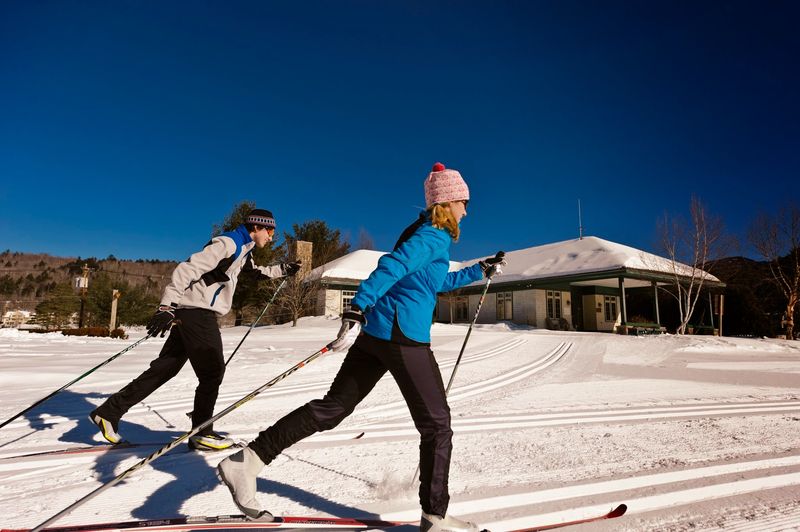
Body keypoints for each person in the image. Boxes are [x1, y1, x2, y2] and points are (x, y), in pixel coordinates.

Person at [217, 164, 506, 531]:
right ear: (447, 203)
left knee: (334, 408)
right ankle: (435, 516)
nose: (467, 210)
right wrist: (358, 304)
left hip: (378, 334)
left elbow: (431, 281)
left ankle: (248, 461)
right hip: (403, 336)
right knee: (437, 426)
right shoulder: (433, 236)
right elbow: (393, 266)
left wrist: (479, 270)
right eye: (464, 202)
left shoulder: (424, 233)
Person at [90, 208, 302, 451]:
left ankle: (108, 412)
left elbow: (255, 273)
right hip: (197, 313)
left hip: (191, 313)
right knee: (212, 371)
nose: (271, 237)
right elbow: (187, 269)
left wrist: (283, 270)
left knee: (165, 369)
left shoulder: (245, 250)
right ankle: (202, 432)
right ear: (257, 227)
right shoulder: (229, 243)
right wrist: (166, 305)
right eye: (270, 231)